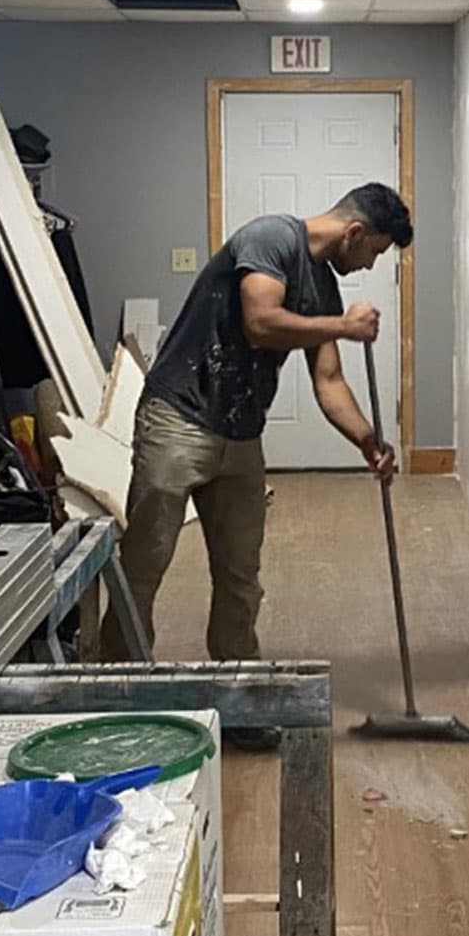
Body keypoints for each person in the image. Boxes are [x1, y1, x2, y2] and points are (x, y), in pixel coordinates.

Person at [118, 182, 413, 665]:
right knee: (145, 563)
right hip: (178, 419)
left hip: (241, 434)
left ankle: (241, 690)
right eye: (374, 252)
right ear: (353, 232)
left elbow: (330, 380)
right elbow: (261, 322)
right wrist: (343, 326)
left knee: (240, 577)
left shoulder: (323, 288)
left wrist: (367, 440)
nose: (369, 265)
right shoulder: (270, 238)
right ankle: (120, 685)